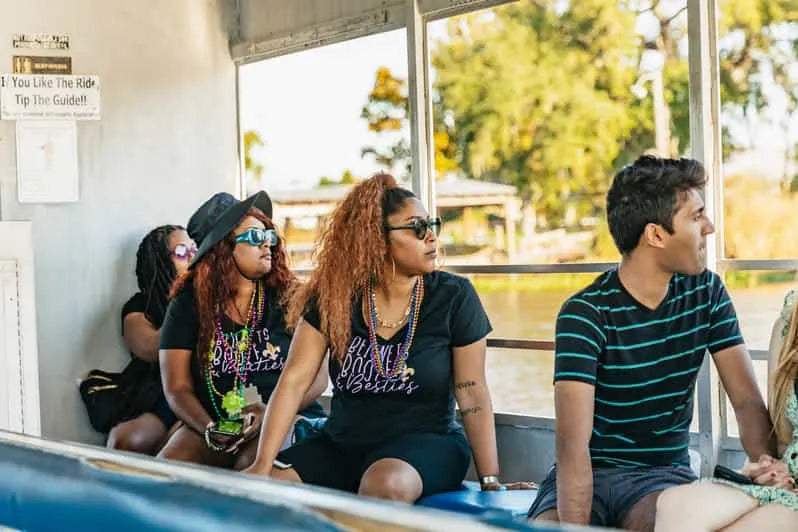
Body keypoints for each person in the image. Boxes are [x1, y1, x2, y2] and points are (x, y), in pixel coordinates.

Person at [244, 174, 534, 502]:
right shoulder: (334, 299)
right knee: (265, 490)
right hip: (342, 444)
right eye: (417, 228)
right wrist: (262, 466)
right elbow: (293, 382)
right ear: (376, 240)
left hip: (426, 444)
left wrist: (490, 480)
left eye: (432, 225)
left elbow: (472, 394)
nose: (431, 238)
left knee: (385, 483)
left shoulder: (453, 297)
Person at [527, 156, 780, 531]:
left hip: (661, 479)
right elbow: (572, 449)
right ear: (656, 235)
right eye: (696, 217)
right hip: (586, 474)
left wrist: (769, 470)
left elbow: (745, 402)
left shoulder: (706, 292)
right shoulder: (584, 314)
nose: (709, 228)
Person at [157, 191, 327, 470]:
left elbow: (318, 379)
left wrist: (271, 412)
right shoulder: (188, 304)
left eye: (268, 236)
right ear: (222, 250)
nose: (266, 245)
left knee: (248, 469)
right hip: (217, 420)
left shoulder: (291, 297)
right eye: (253, 237)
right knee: (169, 466)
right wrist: (210, 429)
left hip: (287, 415)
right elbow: (177, 387)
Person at [654, 289, 798, 531]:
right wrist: (769, 470)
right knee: (673, 505)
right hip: (789, 480)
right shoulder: (791, 320)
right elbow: (784, 443)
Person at [107, 224, 195, 454]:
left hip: (209, 393)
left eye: (195, 251)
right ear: (160, 262)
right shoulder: (140, 306)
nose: (192, 259)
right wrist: (186, 306)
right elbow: (148, 346)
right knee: (124, 439)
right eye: (182, 252)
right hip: (161, 396)